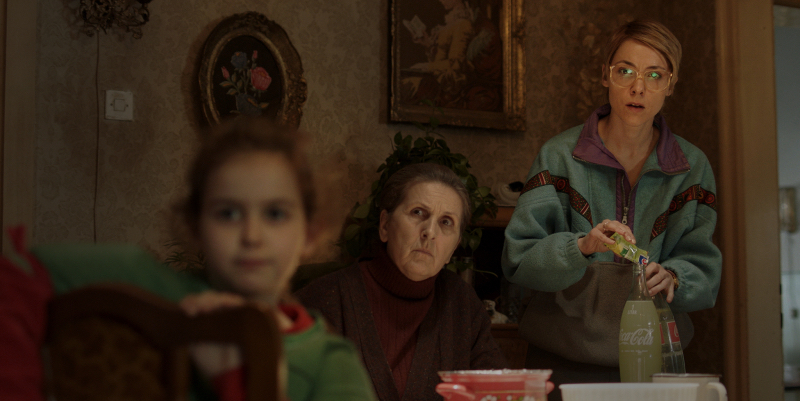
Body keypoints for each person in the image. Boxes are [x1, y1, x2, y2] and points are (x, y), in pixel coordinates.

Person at [0, 118, 378, 401]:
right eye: (228, 214)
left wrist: (234, 381)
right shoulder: (144, 282)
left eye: (276, 214)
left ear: (310, 233)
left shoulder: (331, 362)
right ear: (196, 227)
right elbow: (12, 269)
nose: (251, 235)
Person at [501, 19, 722, 400]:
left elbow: (704, 267)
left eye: (655, 75)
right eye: (626, 71)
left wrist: (674, 277)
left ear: (671, 84)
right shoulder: (558, 157)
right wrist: (581, 247)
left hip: (656, 366)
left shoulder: (692, 167)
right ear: (605, 75)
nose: (639, 87)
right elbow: (518, 259)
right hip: (562, 362)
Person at [296, 163, 521, 401]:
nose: (429, 232)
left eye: (446, 222)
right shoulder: (325, 299)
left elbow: (497, 392)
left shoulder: (462, 304)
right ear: (385, 225)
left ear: (453, 248)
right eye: (418, 213)